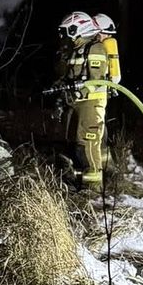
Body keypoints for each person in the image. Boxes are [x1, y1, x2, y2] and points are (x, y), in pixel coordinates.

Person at [54, 11, 110, 191]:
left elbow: (98, 79)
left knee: (89, 142)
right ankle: (80, 181)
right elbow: (70, 76)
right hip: (78, 102)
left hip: (92, 102)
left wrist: (79, 93)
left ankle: (94, 188)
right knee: (76, 143)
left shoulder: (96, 48)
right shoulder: (76, 49)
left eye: (68, 31)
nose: (66, 36)